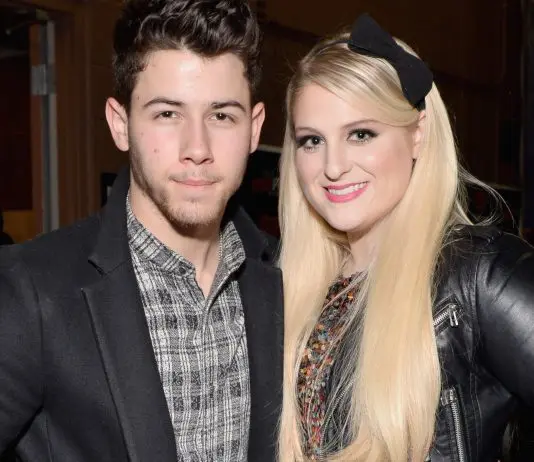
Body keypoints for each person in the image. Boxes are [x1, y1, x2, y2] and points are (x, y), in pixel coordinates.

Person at [0, 0, 283, 461]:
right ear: (121, 124)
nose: (197, 148)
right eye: (167, 113)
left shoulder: (291, 276)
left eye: (221, 115)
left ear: (254, 129)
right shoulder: (29, 290)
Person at [277, 13, 534, 462]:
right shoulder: (293, 287)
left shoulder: (480, 276)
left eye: (361, 134)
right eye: (312, 141)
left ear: (417, 134)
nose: (333, 167)